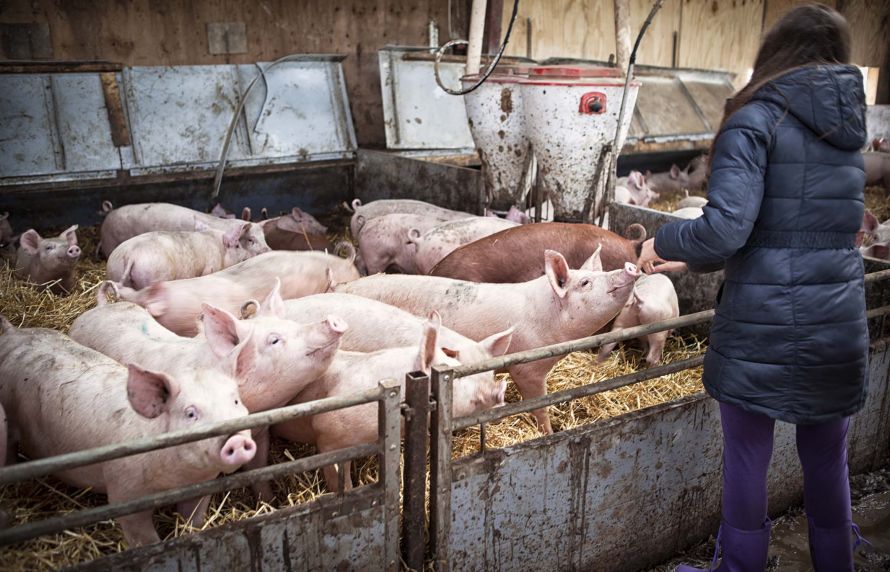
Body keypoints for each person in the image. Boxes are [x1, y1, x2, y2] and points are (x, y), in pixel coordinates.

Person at [636, 4, 869, 571]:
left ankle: (739, 566)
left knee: (747, 453)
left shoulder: (756, 118)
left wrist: (663, 242)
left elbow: (725, 231)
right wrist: (691, 266)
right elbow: (795, 228)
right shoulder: (847, 129)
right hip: (836, 313)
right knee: (825, 455)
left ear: (775, 52)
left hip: (765, 319)